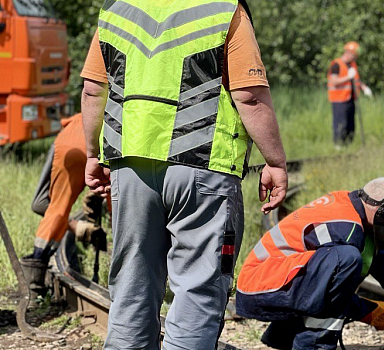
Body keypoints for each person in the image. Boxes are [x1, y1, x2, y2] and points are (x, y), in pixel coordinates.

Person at [80, 1, 288, 349]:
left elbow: (92, 90)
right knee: (197, 290)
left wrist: (92, 153)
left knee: (132, 284)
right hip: (202, 165)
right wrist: (276, 162)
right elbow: (249, 96)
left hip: (130, 169)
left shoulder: (118, 8)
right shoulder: (224, 9)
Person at [235, 177, 384, 350]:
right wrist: (367, 311)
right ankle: (313, 346)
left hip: (273, 280)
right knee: (346, 261)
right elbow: (335, 291)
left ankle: (284, 337)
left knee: (340, 262)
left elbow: (371, 253)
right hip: (260, 285)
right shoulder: (348, 229)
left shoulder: (351, 209)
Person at [20, 113, 107, 295]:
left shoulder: (81, 114)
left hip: (70, 142)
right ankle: (123, 277)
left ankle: (35, 282)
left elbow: (40, 203)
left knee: (57, 207)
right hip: (105, 141)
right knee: (121, 214)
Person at [327, 41, 373, 145]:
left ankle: (348, 145)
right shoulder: (336, 65)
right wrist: (348, 77)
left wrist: (364, 87)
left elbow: (356, 79)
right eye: (354, 55)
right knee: (340, 124)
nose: (355, 58)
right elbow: (333, 82)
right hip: (339, 100)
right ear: (348, 53)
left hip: (350, 98)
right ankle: (338, 145)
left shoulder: (352, 65)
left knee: (350, 125)